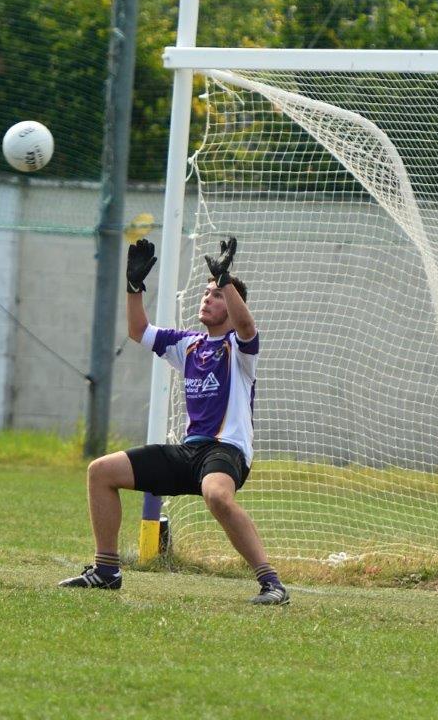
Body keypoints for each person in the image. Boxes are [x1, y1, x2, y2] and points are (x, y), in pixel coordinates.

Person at [59, 237, 289, 605]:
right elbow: (139, 332)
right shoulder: (190, 345)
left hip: (226, 453)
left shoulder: (239, 348)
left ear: (231, 303)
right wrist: (134, 287)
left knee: (216, 495)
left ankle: (271, 583)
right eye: (206, 292)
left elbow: (247, 326)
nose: (207, 298)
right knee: (100, 472)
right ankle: (106, 571)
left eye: (215, 294)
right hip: (189, 452)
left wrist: (226, 280)